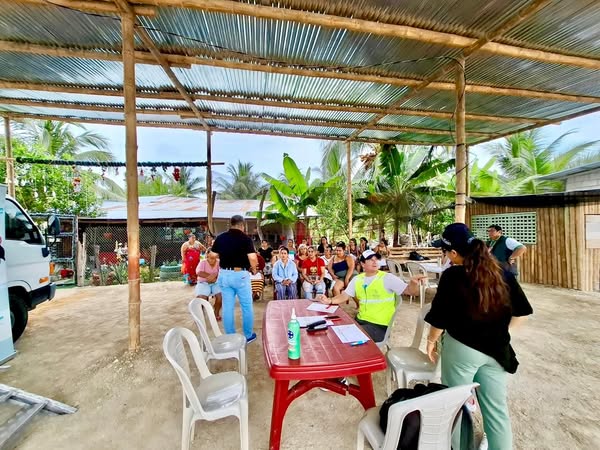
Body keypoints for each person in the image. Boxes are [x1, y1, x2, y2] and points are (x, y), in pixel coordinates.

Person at [425, 223, 533, 450]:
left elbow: (439, 318)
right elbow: (522, 312)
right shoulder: (501, 272)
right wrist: (502, 333)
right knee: (497, 412)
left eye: (445, 251)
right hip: (498, 351)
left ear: (454, 252)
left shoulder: (452, 276)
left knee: (456, 407)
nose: (446, 256)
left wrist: (431, 341)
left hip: (462, 349)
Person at [317, 250, 423, 342]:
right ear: (362, 264)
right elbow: (344, 296)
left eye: (376, 259)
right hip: (361, 320)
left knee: (344, 336)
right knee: (334, 329)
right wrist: (329, 300)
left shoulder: (387, 278)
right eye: (370, 260)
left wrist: (413, 284)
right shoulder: (357, 279)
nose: (375, 262)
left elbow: (411, 291)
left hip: (380, 326)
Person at [211, 215, 259, 344]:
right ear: (242, 225)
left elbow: (212, 255)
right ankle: (248, 335)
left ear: (230, 224)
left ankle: (230, 337)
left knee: (227, 307)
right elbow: (253, 258)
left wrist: (223, 258)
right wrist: (254, 269)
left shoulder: (220, 238)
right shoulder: (246, 239)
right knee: (246, 306)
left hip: (224, 274)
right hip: (240, 275)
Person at [195, 250, 222, 320]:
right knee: (202, 298)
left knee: (220, 297)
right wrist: (212, 277)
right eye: (210, 256)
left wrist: (214, 278)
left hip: (216, 283)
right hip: (203, 283)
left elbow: (222, 273)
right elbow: (199, 272)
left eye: (215, 256)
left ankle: (216, 313)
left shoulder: (219, 262)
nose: (213, 258)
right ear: (207, 256)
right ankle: (200, 315)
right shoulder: (203, 262)